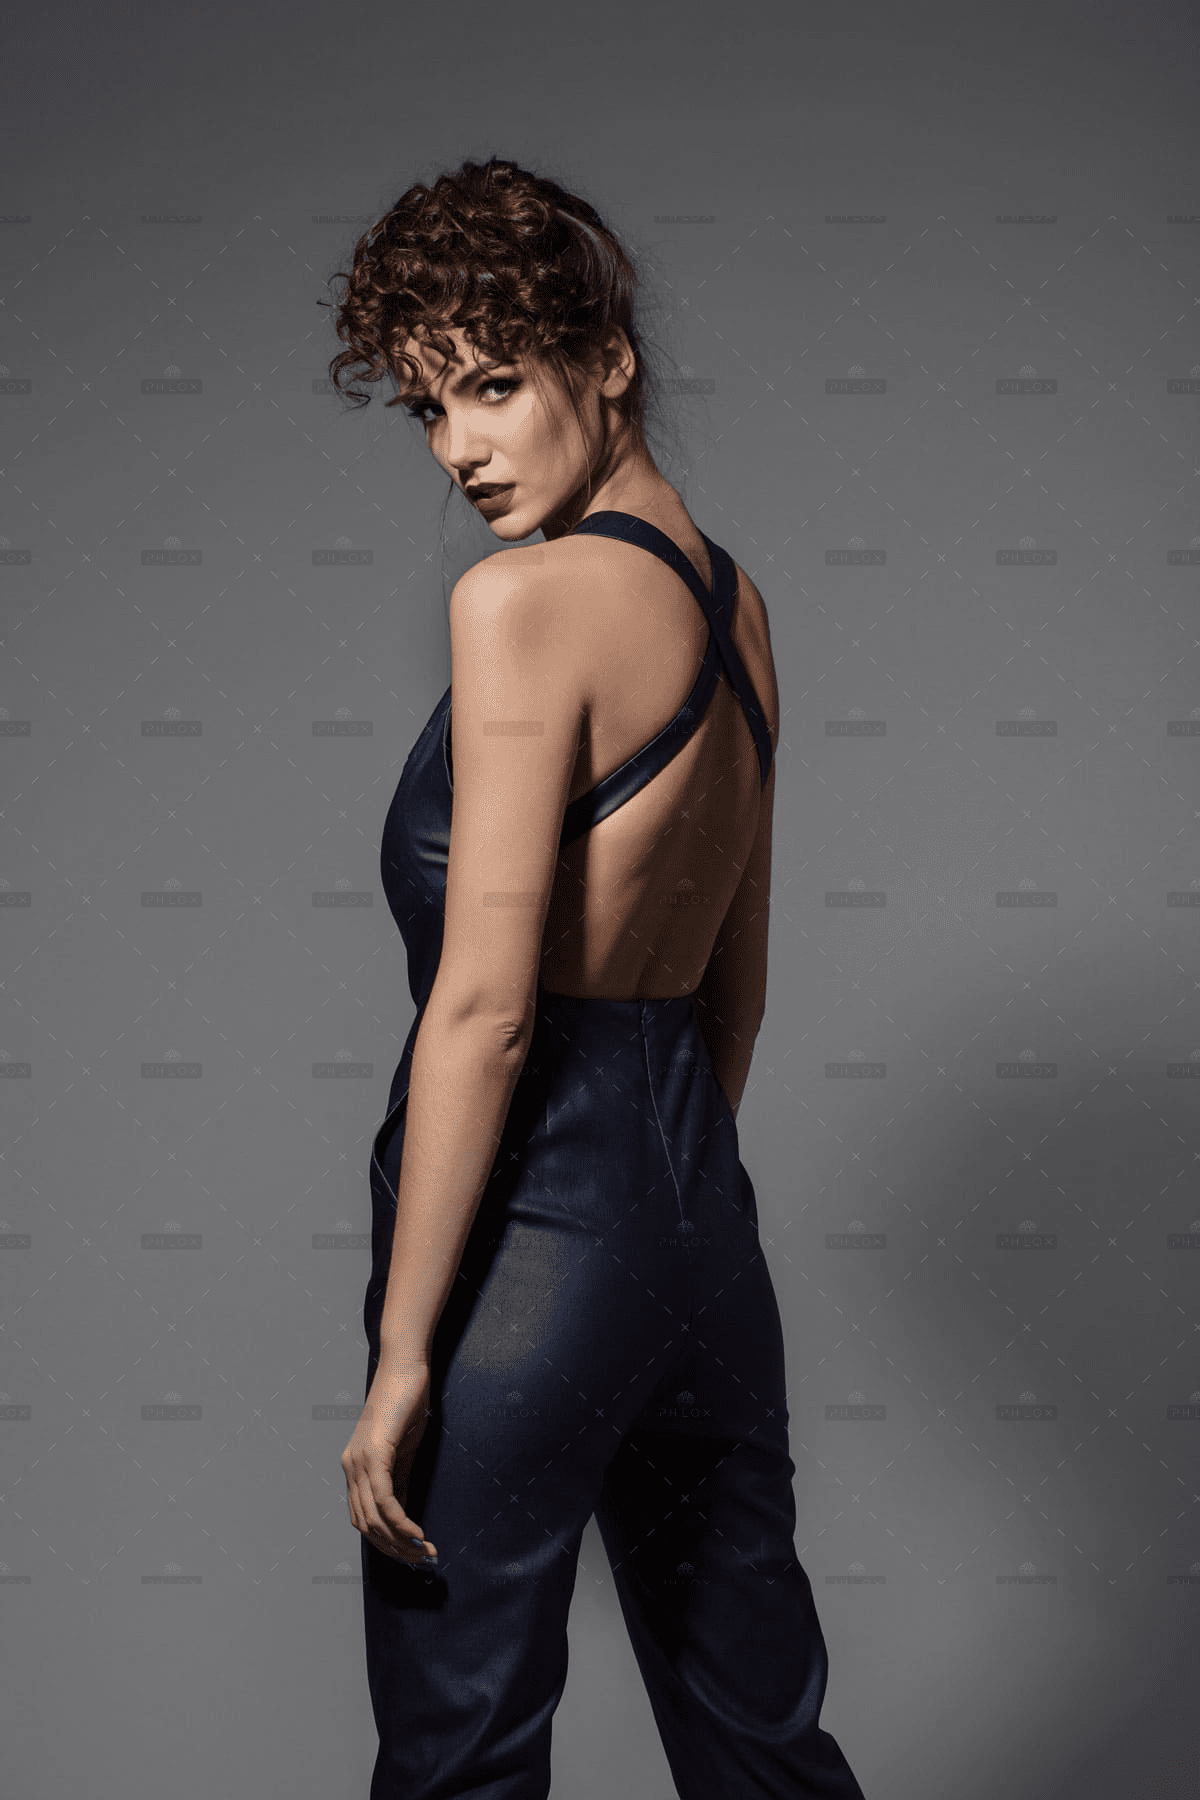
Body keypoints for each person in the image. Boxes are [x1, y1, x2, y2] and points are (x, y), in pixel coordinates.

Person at [328, 156, 867, 1800]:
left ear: (608, 358)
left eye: (493, 384)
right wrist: (665, 1213)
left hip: (531, 1244)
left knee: (461, 1751)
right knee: (760, 1740)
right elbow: (736, 986)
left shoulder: (521, 604)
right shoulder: (739, 606)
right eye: (427, 407)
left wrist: (407, 1353)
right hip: (701, 1223)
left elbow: (485, 1009)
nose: (460, 448)